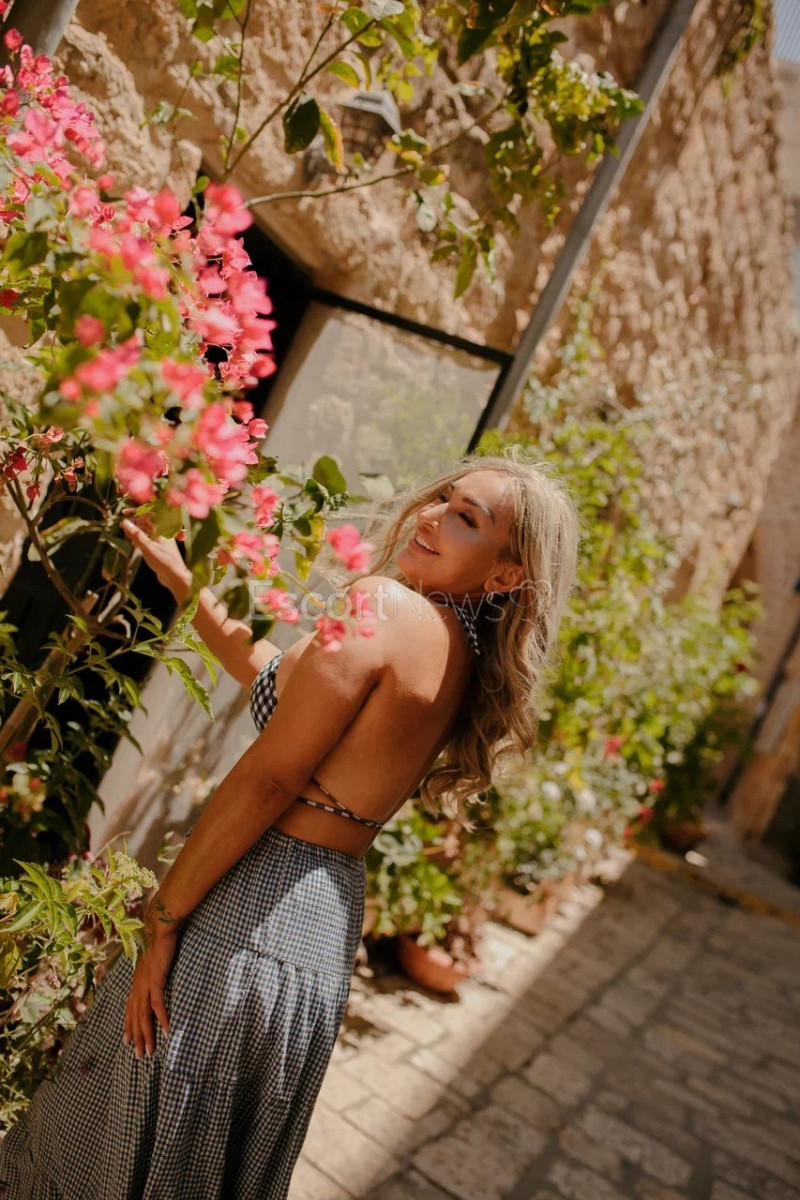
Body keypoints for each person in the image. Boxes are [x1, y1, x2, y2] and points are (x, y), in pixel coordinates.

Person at [0, 447, 579, 1199]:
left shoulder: (384, 606)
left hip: (250, 912)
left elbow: (269, 779)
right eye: (444, 497)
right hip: (316, 933)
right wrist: (186, 583)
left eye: (467, 518)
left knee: (108, 1140)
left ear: (505, 575)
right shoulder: (454, 651)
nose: (434, 515)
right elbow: (281, 682)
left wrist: (164, 918)